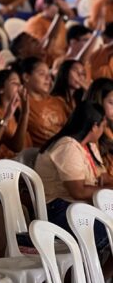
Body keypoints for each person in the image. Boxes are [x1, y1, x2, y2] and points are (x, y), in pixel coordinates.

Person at [35, 101, 113, 238]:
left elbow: (104, 177)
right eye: (103, 126)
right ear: (94, 127)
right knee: (108, 230)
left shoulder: (89, 145)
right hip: (60, 209)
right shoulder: (67, 146)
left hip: (80, 206)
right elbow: (79, 191)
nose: (103, 131)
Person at [18, 56, 70, 147]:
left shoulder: (59, 101)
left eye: (49, 74)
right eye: (42, 74)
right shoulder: (20, 104)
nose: (48, 78)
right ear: (26, 77)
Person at [0, 69, 31, 159]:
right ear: (1, 89)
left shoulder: (15, 114)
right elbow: (16, 147)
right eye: (14, 83)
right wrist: (25, 113)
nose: (20, 86)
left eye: (20, 83)